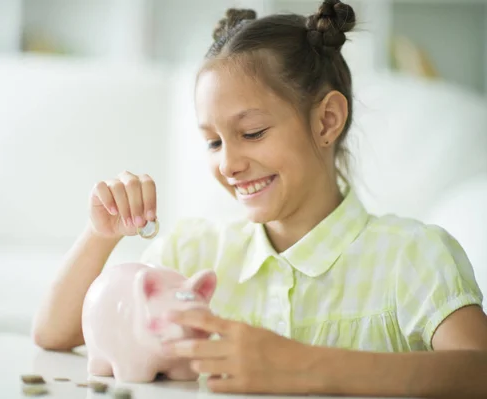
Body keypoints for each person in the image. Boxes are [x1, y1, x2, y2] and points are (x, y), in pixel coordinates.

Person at [31, 0, 487, 397]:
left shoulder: (412, 255)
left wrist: (301, 365)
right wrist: (100, 235)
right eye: (213, 142)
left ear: (327, 121)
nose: (228, 164)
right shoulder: (192, 254)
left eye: (252, 133)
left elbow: (479, 371)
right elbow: (57, 335)